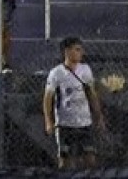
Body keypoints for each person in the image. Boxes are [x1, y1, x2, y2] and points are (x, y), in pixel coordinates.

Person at [43, 36, 104, 170]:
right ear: (67, 52)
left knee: (90, 158)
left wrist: (98, 116)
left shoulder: (85, 70)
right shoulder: (56, 73)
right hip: (65, 124)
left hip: (84, 122)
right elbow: (48, 98)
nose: (80, 53)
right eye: (77, 50)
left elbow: (91, 94)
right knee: (65, 160)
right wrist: (49, 120)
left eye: (80, 50)